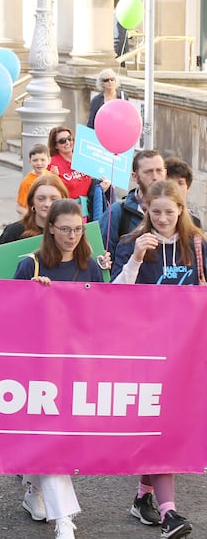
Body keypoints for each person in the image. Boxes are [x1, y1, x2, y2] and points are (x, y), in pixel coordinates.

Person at [12, 199, 106, 539]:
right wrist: (33, 297)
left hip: (75, 365)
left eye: (78, 229)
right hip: (38, 367)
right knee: (51, 437)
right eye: (65, 229)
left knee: (58, 438)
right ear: (50, 228)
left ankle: (33, 488)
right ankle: (64, 518)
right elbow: (9, 316)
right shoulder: (31, 265)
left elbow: (100, 316)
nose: (71, 236)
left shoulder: (91, 265)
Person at [110, 179, 199, 539]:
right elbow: (113, 296)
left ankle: (143, 497)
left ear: (181, 210)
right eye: (155, 212)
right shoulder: (131, 243)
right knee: (159, 427)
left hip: (186, 353)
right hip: (144, 353)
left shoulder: (197, 244)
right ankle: (168, 513)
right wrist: (135, 258)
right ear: (146, 210)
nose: (162, 218)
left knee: (166, 427)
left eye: (169, 212)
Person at [99, 149, 166, 256]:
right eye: (148, 172)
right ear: (135, 177)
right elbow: (103, 256)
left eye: (159, 171)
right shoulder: (117, 212)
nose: (155, 177)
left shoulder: (176, 212)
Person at [47, 126, 110, 207]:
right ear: (56, 146)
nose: (67, 142)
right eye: (62, 141)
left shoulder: (82, 156)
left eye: (69, 138)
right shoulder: (52, 163)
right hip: (68, 208)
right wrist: (54, 178)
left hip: (89, 205)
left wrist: (101, 188)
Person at [0, 175, 69, 246]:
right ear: (32, 201)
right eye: (41, 199)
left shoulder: (71, 232)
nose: (47, 204)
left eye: (54, 199)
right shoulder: (13, 232)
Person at [17, 144, 53, 216]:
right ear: (30, 161)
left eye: (42, 160)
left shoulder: (51, 176)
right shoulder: (27, 182)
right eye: (35, 160)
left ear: (49, 160)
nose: (39, 163)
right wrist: (33, 218)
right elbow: (20, 207)